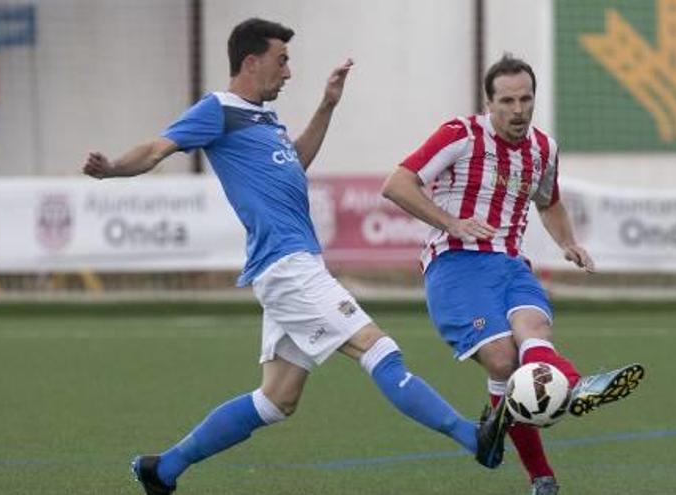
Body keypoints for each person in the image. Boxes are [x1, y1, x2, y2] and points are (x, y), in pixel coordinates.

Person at [81, 18, 505, 495]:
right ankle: (474, 438)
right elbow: (158, 148)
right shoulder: (218, 109)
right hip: (289, 268)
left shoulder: (263, 118)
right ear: (250, 61)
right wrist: (114, 169)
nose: (288, 72)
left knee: (277, 399)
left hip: (290, 266)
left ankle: (164, 469)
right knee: (377, 347)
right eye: (282, 61)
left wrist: (327, 105)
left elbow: (294, 163)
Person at [381, 54, 645, 495]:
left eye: (526, 99)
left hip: (511, 264)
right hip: (456, 263)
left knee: (535, 333)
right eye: (507, 101)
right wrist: (451, 222)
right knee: (504, 360)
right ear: (490, 103)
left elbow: (549, 202)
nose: (518, 110)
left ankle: (546, 457)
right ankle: (555, 424)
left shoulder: (544, 148)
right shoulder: (460, 135)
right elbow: (397, 183)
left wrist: (567, 242)